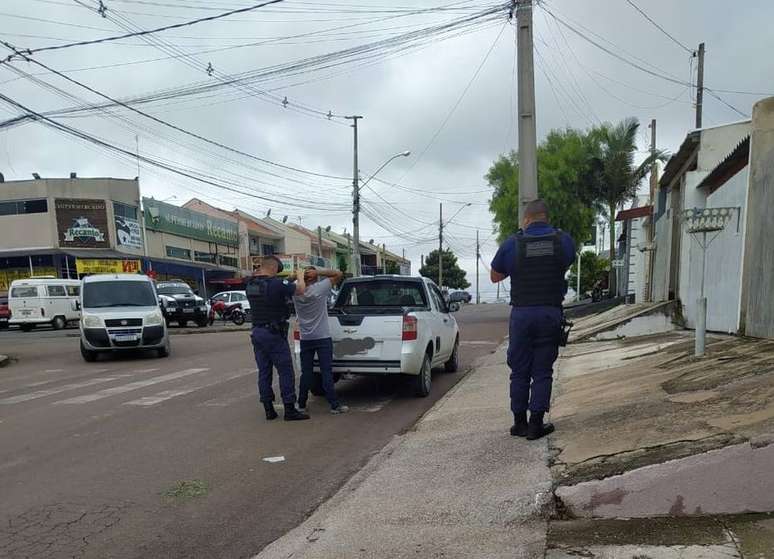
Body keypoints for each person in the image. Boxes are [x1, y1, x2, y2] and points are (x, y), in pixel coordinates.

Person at [490, 199, 576, 441]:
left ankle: (519, 423)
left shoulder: (513, 243)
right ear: (545, 217)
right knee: (542, 370)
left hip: (522, 314)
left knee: (519, 369)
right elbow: (566, 262)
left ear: (526, 219)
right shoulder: (563, 241)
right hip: (549, 312)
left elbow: (495, 276)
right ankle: (536, 424)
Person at [246, 256, 309, 422]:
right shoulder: (277, 284)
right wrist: (300, 276)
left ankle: (268, 409)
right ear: (274, 269)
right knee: (285, 371)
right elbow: (300, 289)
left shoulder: (251, 284)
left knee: (264, 372)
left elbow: (274, 287)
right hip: (273, 333)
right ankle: (289, 409)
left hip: (257, 332)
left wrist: (288, 280)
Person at [294, 266, 349, 415]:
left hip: (306, 338)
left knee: (306, 373)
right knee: (326, 372)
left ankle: (301, 404)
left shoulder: (295, 292)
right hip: (323, 337)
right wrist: (318, 271)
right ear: (313, 277)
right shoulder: (320, 288)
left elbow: (286, 282)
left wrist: (298, 275)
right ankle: (334, 405)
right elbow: (339, 273)